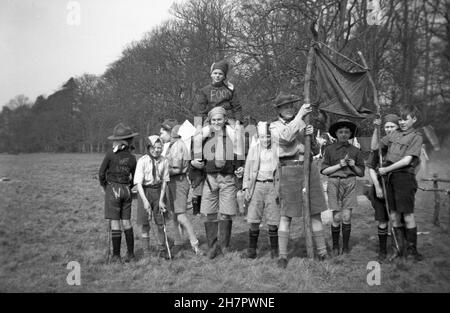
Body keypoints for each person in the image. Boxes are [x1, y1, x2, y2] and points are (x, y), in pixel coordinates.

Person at [269, 92, 329, 269]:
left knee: (315, 212)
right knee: (286, 215)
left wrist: (311, 136)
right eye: (285, 107)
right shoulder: (274, 126)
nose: (289, 109)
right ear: (279, 109)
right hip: (289, 170)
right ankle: (282, 256)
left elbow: (316, 148)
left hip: (309, 168)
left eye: (291, 106)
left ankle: (323, 252)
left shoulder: (302, 121)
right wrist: (299, 117)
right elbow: (286, 138)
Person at [374, 105, 424, 261]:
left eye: (405, 119)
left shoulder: (416, 136)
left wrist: (386, 168)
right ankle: (397, 249)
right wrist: (376, 128)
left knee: (407, 214)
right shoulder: (394, 134)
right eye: (400, 119)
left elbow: (407, 160)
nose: (402, 122)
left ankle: (412, 251)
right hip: (390, 178)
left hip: (404, 177)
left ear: (414, 119)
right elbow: (375, 147)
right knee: (394, 214)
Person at [193, 106, 244, 259]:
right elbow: (195, 151)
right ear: (210, 120)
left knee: (226, 213)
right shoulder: (204, 135)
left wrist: (239, 167)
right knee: (210, 213)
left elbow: (239, 151)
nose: (216, 122)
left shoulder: (232, 134)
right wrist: (195, 162)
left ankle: (225, 246)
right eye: (214, 119)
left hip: (227, 177)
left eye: (219, 119)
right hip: (210, 179)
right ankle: (212, 246)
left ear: (224, 119)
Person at [321, 119, 365, 256]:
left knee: (347, 216)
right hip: (334, 183)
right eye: (341, 132)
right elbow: (324, 171)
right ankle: (335, 246)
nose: (344, 134)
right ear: (336, 134)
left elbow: (361, 173)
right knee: (337, 217)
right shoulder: (329, 149)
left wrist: (352, 165)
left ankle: (345, 247)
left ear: (350, 134)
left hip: (350, 182)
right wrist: (339, 165)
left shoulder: (356, 151)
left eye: (346, 132)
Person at [99, 123, 138, 263]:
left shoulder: (110, 154)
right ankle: (131, 255)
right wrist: (131, 188)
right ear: (129, 141)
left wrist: (104, 186)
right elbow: (135, 178)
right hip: (127, 190)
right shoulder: (133, 158)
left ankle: (116, 256)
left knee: (115, 223)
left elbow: (101, 173)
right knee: (127, 222)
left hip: (113, 189)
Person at [241, 121, 280, 259]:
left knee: (273, 220)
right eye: (263, 137)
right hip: (256, 186)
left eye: (268, 137)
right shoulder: (254, 149)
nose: (266, 139)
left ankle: (275, 251)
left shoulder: (277, 149)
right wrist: (246, 186)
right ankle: (252, 250)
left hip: (272, 186)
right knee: (254, 219)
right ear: (258, 137)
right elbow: (247, 169)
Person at [367, 114, 400, 261]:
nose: (389, 129)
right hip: (381, 186)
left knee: (396, 219)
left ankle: (398, 248)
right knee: (382, 221)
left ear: (398, 127)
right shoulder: (380, 146)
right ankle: (382, 251)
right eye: (387, 126)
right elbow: (371, 167)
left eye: (392, 126)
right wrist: (378, 187)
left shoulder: (401, 144)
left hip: (397, 186)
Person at [165, 124, 201, 256]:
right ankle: (178, 242)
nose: (161, 136)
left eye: (163, 133)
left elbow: (177, 169)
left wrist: (161, 171)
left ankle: (194, 243)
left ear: (170, 133)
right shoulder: (173, 145)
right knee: (176, 215)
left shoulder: (178, 146)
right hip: (174, 182)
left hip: (179, 182)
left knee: (180, 215)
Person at [134, 135, 171, 259]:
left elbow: (165, 181)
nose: (156, 150)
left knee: (161, 223)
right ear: (149, 148)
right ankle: (146, 251)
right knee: (145, 224)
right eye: (154, 147)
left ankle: (162, 249)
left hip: (158, 191)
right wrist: (145, 201)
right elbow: (138, 183)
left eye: (159, 147)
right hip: (145, 192)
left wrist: (161, 200)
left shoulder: (164, 161)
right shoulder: (142, 161)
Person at [194, 59, 243, 126]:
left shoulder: (230, 89)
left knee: (236, 134)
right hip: (211, 120)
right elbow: (199, 111)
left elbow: (237, 107)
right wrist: (198, 126)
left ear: (224, 76)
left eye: (220, 74)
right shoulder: (204, 91)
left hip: (228, 120)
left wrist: (238, 122)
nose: (217, 76)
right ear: (211, 74)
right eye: (215, 73)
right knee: (201, 135)